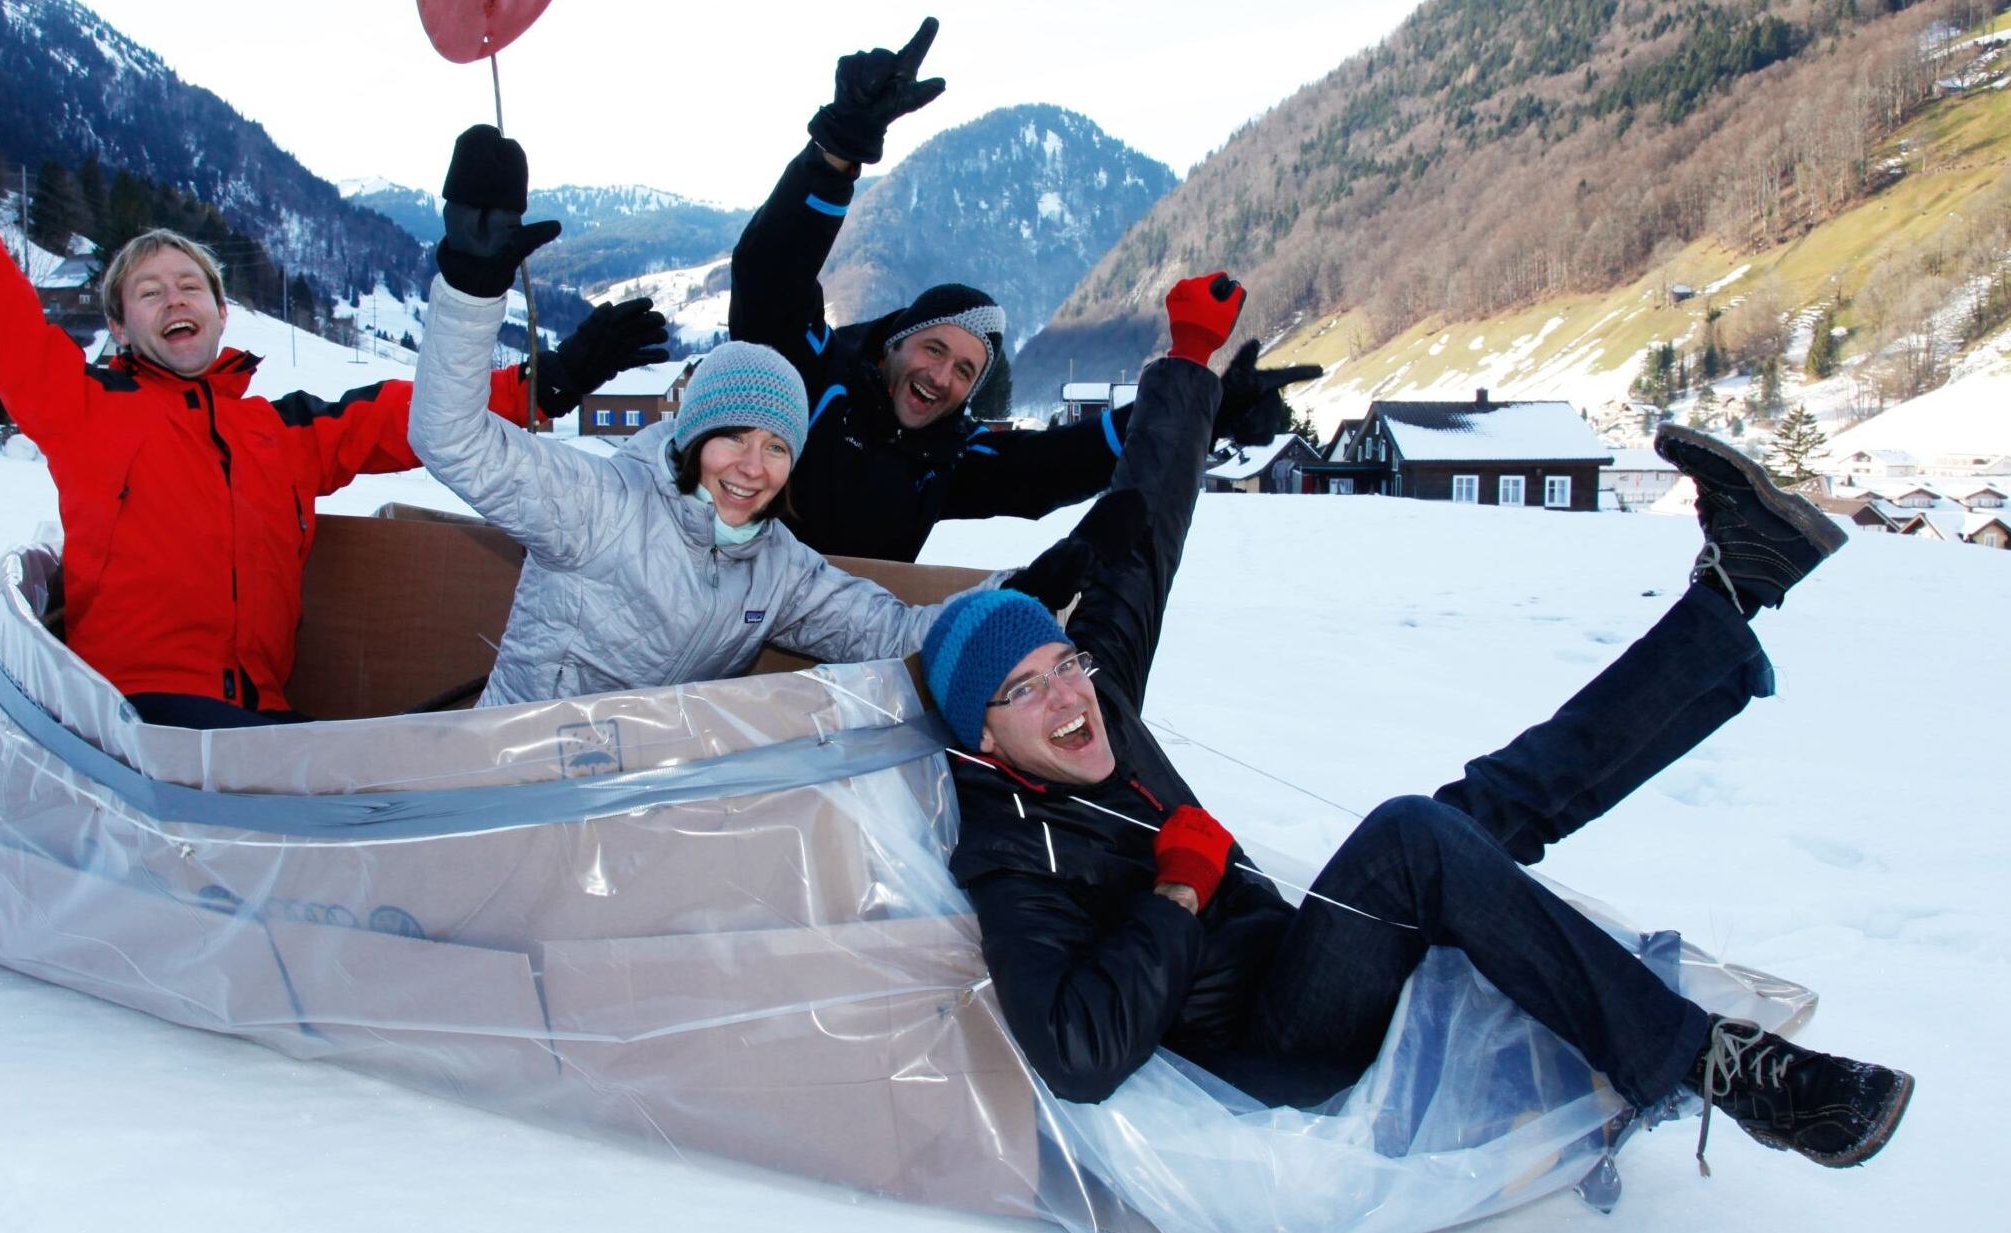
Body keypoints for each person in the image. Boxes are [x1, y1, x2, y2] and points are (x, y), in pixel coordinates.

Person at [919, 270, 1912, 1173]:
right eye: (1027, 689)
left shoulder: (1094, 702)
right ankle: (1728, 1071)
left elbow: (1141, 538)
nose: (1069, 695)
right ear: (984, 738)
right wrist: (1176, 895)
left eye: (1065, 663)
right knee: (1413, 837)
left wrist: (1185, 361)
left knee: (1483, 808)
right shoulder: (1011, 855)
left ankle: (1739, 588)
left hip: (1300, 955)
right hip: (1276, 1043)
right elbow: (1076, 1050)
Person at [0, 6, 666, 729]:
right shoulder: (83, 408)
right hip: (133, 723)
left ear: (221, 311)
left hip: (263, 726)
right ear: (120, 325)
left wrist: (547, 381)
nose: (174, 297)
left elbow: (406, 417)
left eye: (191, 284)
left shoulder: (282, 433)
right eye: (149, 291)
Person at [406, 125, 1090, 705]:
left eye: (776, 447)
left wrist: (1013, 595)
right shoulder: (600, 507)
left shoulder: (776, 568)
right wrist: (470, 285)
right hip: (510, 773)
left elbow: (890, 631)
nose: (752, 467)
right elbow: (450, 437)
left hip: (642, 796)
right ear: (693, 433)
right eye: (733, 436)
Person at [727, 18, 1284, 563]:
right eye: (935, 349)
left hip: (847, 622)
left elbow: (1063, 463)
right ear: (893, 342)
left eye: (965, 371)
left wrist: (1203, 413)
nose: (941, 377)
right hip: (728, 605)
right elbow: (769, 276)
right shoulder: (814, 374)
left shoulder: (950, 456)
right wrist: (837, 150)